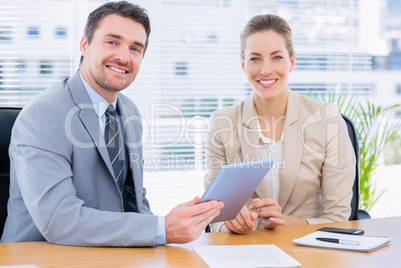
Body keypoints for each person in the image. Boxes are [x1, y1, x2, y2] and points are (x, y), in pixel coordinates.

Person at [1, 1, 223, 247]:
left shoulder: (129, 112)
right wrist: (161, 228)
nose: (123, 56)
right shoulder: (44, 114)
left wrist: (174, 227)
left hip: (111, 253)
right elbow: (59, 219)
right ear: (85, 44)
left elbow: (134, 203)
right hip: (41, 256)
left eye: (135, 48)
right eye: (112, 42)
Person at [203, 14, 355, 233]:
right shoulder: (222, 124)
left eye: (276, 57)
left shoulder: (327, 119)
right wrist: (229, 223)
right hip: (245, 250)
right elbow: (215, 216)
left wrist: (284, 222)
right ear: (243, 65)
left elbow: (337, 217)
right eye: (255, 58)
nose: (265, 70)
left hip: (309, 250)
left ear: (291, 62)